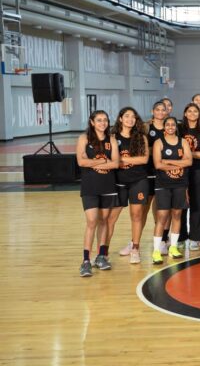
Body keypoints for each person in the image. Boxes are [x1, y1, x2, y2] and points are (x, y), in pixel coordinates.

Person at [118, 100, 166, 257]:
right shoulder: (145, 127)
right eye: (157, 109)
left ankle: (161, 241)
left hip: (165, 172)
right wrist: (156, 150)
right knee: (142, 210)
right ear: (152, 111)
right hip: (146, 172)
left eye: (163, 109)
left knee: (162, 209)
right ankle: (134, 243)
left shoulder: (171, 127)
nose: (160, 112)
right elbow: (144, 152)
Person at [76, 110, 120, 277]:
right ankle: (86, 260)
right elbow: (81, 162)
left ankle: (101, 256)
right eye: (99, 120)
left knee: (104, 221)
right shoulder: (84, 138)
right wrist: (103, 160)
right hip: (90, 186)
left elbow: (115, 164)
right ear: (92, 122)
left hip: (108, 186)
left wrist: (92, 162)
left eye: (105, 120)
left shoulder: (111, 140)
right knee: (92, 221)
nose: (103, 123)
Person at [111, 107, 149, 265]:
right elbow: (110, 160)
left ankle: (135, 248)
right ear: (120, 119)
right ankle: (102, 253)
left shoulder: (141, 137)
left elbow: (144, 159)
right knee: (110, 218)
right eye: (126, 116)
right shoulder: (112, 137)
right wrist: (131, 160)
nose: (130, 119)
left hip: (138, 180)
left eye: (133, 116)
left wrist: (121, 160)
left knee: (137, 215)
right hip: (118, 182)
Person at [152, 116, 192, 264]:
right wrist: (179, 164)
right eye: (167, 124)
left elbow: (189, 161)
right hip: (163, 184)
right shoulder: (158, 142)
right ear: (164, 127)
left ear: (176, 127)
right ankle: (156, 250)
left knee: (177, 214)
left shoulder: (183, 142)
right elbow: (158, 164)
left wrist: (168, 162)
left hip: (180, 184)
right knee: (162, 216)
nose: (170, 127)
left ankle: (173, 247)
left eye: (172, 124)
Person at [179, 103, 200, 251]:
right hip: (180, 171)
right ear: (185, 113)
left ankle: (195, 237)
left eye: (195, 111)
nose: (192, 113)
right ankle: (180, 237)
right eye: (190, 111)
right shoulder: (179, 129)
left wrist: (186, 154)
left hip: (199, 171)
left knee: (197, 205)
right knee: (181, 205)